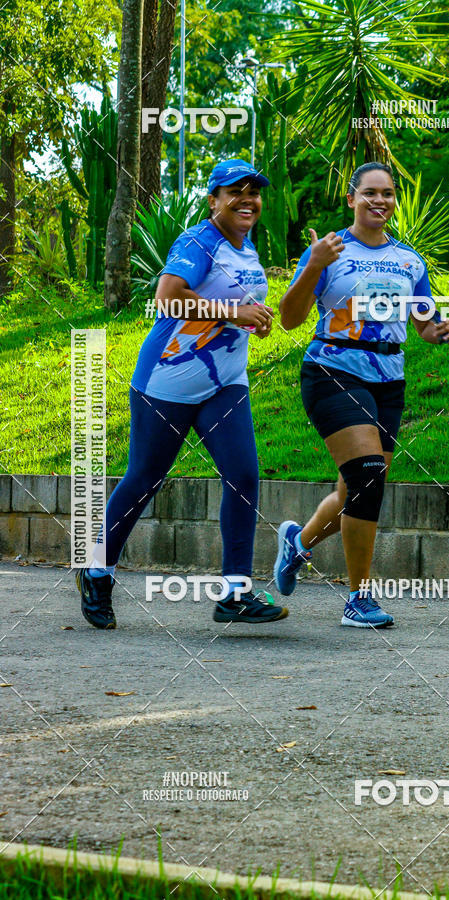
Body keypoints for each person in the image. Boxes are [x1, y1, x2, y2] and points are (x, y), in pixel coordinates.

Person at [76, 159, 288, 629]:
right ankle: (97, 570)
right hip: (167, 382)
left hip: (224, 383)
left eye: (254, 192)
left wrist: (255, 317)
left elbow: (236, 305)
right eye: (235, 192)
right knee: (143, 479)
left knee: (243, 476)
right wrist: (233, 312)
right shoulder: (198, 241)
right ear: (214, 201)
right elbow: (167, 297)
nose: (247, 200)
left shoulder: (247, 247)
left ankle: (235, 594)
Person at [273, 162, 449, 628]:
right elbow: (290, 319)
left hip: (388, 380)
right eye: (370, 193)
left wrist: (439, 331)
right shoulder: (328, 249)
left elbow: (423, 322)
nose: (380, 201)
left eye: (388, 193)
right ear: (352, 198)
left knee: (357, 488)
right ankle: (359, 598)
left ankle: (298, 543)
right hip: (332, 369)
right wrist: (314, 264)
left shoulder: (409, 260)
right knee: (369, 476)